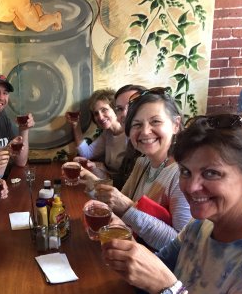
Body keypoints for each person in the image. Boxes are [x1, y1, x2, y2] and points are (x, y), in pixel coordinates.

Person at [102, 113, 242, 294]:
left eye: (211, 173)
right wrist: (126, 251)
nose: (191, 187)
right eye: (185, 171)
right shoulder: (199, 227)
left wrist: (166, 289)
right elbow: (154, 268)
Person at [81, 87, 191, 251]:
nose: (145, 131)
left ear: (175, 124)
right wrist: (93, 184)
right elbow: (118, 207)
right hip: (130, 252)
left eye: (155, 121)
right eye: (137, 124)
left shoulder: (183, 175)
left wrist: (127, 208)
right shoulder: (142, 162)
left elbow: (182, 247)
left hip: (158, 270)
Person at [67, 88, 127, 183]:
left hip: (122, 187)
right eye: (96, 113)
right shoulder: (107, 133)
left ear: (115, 110)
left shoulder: (130, 135)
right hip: (109, 181)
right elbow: (87, 153)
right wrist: (76, 125)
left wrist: (99, 166)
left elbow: (127, 175)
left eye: (104, 110)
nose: (100, 117)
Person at [0, 74, 34, 169]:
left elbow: (21, 161)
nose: (1, 97)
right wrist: (5, 151)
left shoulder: (3, 119)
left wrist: (24, 130)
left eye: (5, 93)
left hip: (4, 180)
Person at [113, 84, 147, 188]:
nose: (124, 113)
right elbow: (120, 186)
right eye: (119, 109)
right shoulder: (132, 145)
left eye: (131, 105)